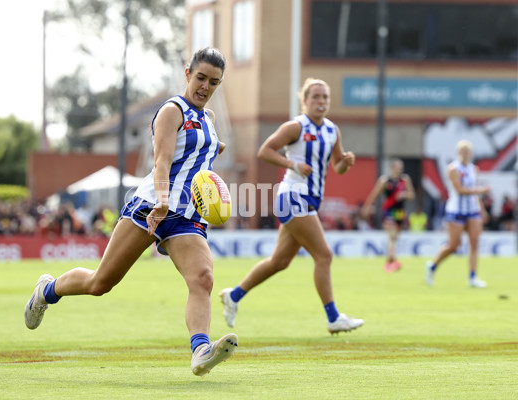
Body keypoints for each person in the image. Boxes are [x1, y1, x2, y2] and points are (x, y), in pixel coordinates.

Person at [24, 47, 238, 376]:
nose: (205, 86)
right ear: (187, 74)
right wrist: (164, 201)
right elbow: (162, 161)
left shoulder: (208, 120)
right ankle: (47, 290)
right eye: (200, 78)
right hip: (152, 205)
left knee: (203, 279)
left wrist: (212, 153)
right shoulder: (171, 111)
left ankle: (200, 350)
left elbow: (205, 147)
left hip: (186, 217)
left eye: (214, 82)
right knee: (100, 283)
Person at [219, 78, 364, 334]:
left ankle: (234, 296)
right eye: (316, 97)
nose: (321, 102)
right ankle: (333, 318)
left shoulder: (332, 130)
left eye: (325, 97)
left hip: (308, 199)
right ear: (305, 101)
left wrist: (346, 162)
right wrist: (293, 165)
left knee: (279, 261)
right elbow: (265, 151)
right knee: (324, 255)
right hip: (293, 195)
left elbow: (337, 167)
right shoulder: (296, 127)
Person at [425, 140, 490, 288]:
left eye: (468, 151)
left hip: (472, 211)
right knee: (454, 245)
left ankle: (473, 277)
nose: (466, 153)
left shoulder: (475, 169)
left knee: (474, 242)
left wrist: (482, 209)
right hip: (456, 211)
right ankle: (432, 266)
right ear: (458, 152)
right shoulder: (453, 169)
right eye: (463, 150)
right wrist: (481, 190)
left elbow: (474, 194)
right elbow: (460, 190)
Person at [361, 158, 415, 272]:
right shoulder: (385, 181)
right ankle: (392, 261)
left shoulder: (405, 180)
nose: (399, 170)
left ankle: (390, 260)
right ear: (391, 168)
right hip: (388, 211)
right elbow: (374, 195)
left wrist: (404, 194)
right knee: (392, 235)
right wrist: (367, 207)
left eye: (401, 168)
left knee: (395, 238)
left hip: (400, 212)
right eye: (397, 167)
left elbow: (412, 195)